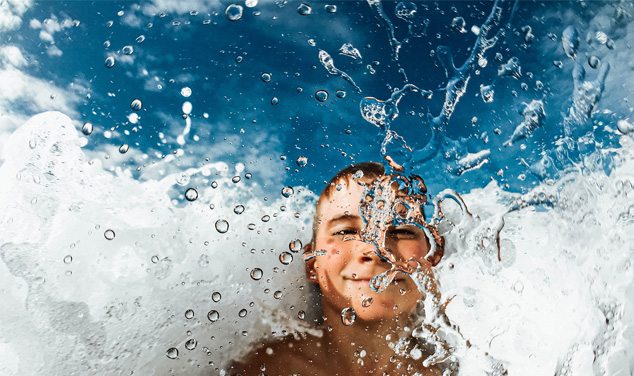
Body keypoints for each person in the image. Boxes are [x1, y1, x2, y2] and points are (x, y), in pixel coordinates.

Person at [232, 162, 448, 376]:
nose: (375, 249)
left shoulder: (464, 365)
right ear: (311, 265)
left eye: (401, 230)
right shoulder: (266, 370)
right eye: (346, 231)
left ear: (434, 256)